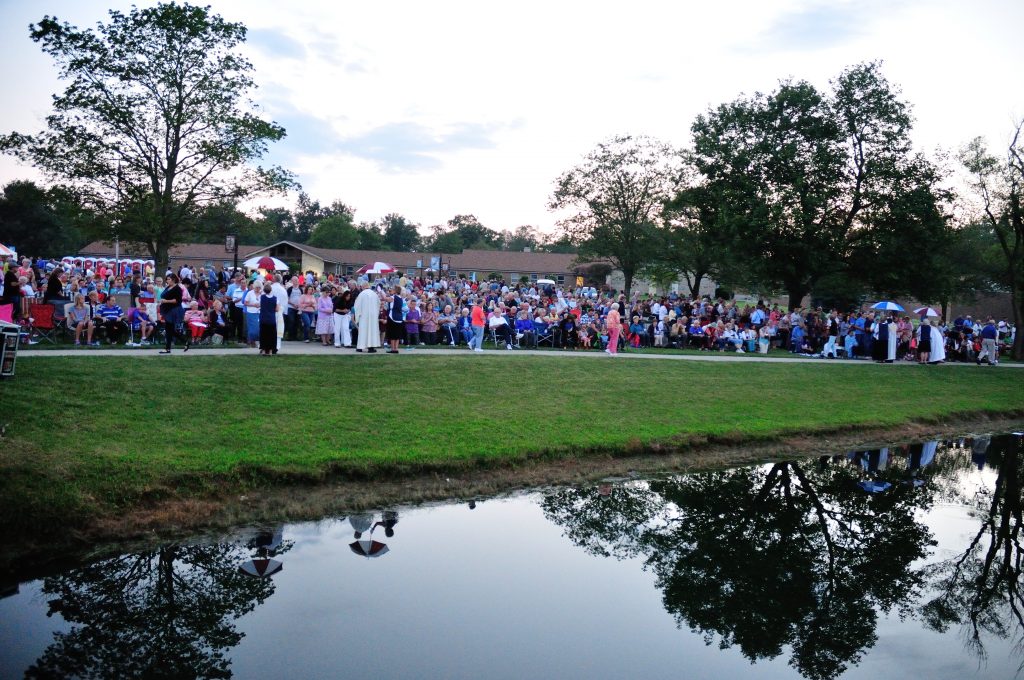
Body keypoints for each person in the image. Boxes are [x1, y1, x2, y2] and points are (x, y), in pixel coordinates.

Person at [159, 273, 188, 354]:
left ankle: (168, 348)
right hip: (167, 309)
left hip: (174, 310)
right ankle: (185, 341)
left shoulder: (177, 288)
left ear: (173, 279)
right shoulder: (168, 287)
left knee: (169, 329)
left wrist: (166, 301)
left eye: (169, 279)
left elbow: (177, 301)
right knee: (170, 330)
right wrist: (162, 301)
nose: (167, 281)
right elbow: (163, 296)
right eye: (167, 279)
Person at [353, 282, 381, 353]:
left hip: (364, 316)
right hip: (373, 316)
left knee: (363, 331)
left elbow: (357, 305)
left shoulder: (361, 294)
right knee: (372, 331)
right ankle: (371, 347)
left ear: (363, 286)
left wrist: (358, 315)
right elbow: (379, 304)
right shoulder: (375, 294)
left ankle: (360, 347)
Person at [258, 283, 280, 355]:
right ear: (271, 290)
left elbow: (259, 305)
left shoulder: (261, 297)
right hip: (271, 319)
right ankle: (270, 350)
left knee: (263, 334)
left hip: (263, 318)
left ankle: (264, 350)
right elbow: (277, 309)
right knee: (271, 335)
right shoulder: (275, 298)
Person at [385, 286, 405, 353]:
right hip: (399, 317)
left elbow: (385, 299)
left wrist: (380, 291)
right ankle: (396, 348)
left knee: (392, 334)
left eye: (393, 289)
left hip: (392, 317)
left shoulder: (393, 297)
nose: (391, 290)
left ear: (395, 291)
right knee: (397, 334)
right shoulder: (401, 298)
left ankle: (393, 349)